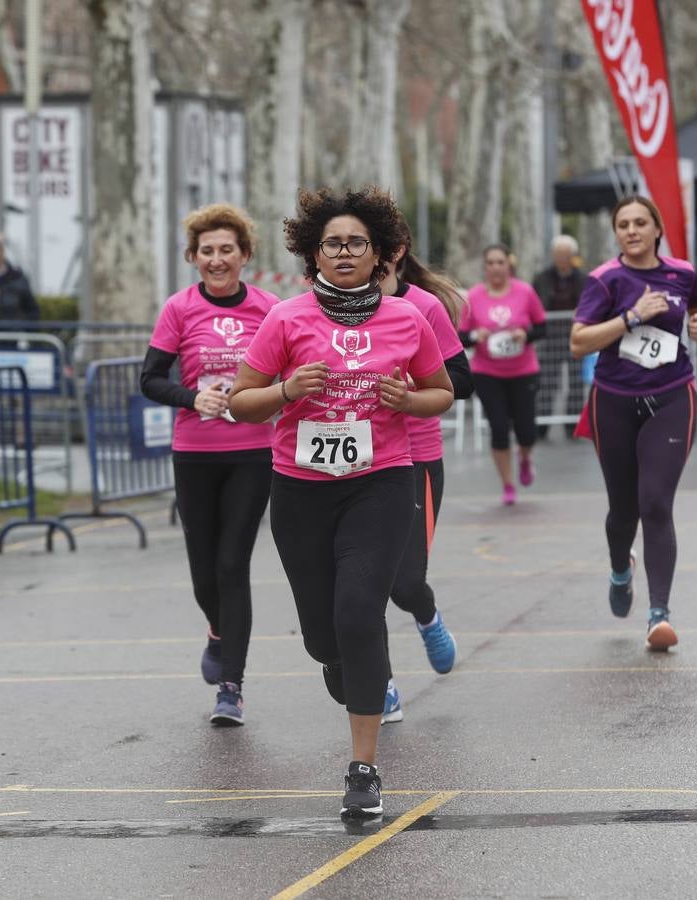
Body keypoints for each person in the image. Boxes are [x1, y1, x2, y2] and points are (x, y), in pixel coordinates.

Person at [229, 186, 453, 820]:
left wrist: (407, 402)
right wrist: (285, 390)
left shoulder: (408, 318)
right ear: (314, 254)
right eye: (333, 243)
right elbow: (242, 401)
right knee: (325, 635)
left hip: (381, 483)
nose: (346, 252)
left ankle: (363, 769)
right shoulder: (287, 319)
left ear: (379, 252)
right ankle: (338, 660)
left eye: (357, 242)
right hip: (300, 490)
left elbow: (442, 393)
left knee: (360, 612)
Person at [139, 203, 278, 726]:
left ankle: (231, 687)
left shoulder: (268, 308)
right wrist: (191, 398)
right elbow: (150, 378)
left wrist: (266, 397)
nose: (217, 260)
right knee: (203, 574)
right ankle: (218, 633)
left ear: (245, 255)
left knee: (230, 565)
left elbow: (287, 370)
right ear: (193, 258)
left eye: (227, 250)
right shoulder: (179, 308)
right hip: (194, 453)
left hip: (250, 453)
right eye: (207, 251)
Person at [570, 195, 697, 651]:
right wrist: (631, 317)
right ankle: (620, 567)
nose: (631, 231)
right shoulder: (605, 279)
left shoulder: (682, 273)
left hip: (672, 397)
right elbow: (579, 341)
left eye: (640, 223)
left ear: (656, 230)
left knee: (655, 502)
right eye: (623, 225)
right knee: (623, 508)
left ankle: (659, 616)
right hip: (613, 400)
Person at [375, 226, 471, 724]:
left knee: (405, 582)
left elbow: (463, 381)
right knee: (361, 584)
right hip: (353, 462)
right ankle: (380, 684)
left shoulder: (423, 308)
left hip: (415, 459)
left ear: (397, 252)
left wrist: (408, 386)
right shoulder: (330, 308)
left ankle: (427, 616)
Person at [460, 244, 547, 505]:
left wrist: (526, 334)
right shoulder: (474, 297)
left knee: (527, 431)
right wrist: (477, 336)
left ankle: (525, 457)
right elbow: (462, 338)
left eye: (501, 262)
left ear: (509, 265)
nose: (496, 267)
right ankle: (508, 484)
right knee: (498, 427)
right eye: (491, 263)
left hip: (524, 370)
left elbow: (542, 327)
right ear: (485, 267)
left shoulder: (525, 292)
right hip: (488, 372)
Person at [533, 235, 588, 436]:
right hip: (550, 336)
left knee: (576, 381)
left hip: (575, 335)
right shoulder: (542, 278)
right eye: (558, 254)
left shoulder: (582, 278)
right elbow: (535, 302)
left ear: (572, 256)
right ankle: (541, 424)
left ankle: (572, 425)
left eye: (566, 254)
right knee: (547, 381)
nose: (562, 258)